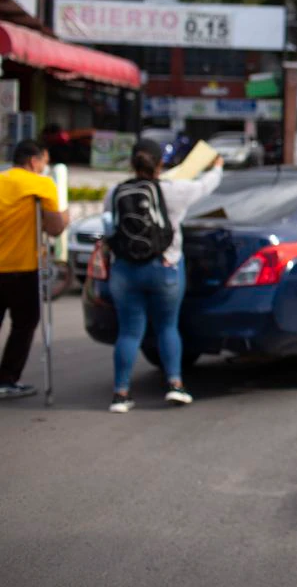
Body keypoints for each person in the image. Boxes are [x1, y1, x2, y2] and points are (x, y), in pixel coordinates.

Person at [104, 139, 223, 413]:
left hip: (124, 270)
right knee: (167, 327)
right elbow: (206, 186)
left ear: (132, 162)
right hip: (165, 266)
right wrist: (216, 167)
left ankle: (120, 395)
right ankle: (175, 385)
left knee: (129, 332)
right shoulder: (174, 190)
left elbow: (108, 227)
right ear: (160, 164)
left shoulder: (114, 192)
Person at [0, 141, 69, 399]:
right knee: (24, 323)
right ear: (33, 161)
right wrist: (65, 215)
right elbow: (54, 228)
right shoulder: (41, 184)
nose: (45, 167)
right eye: (44, 161)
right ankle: (6, 379)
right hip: (21, 269)